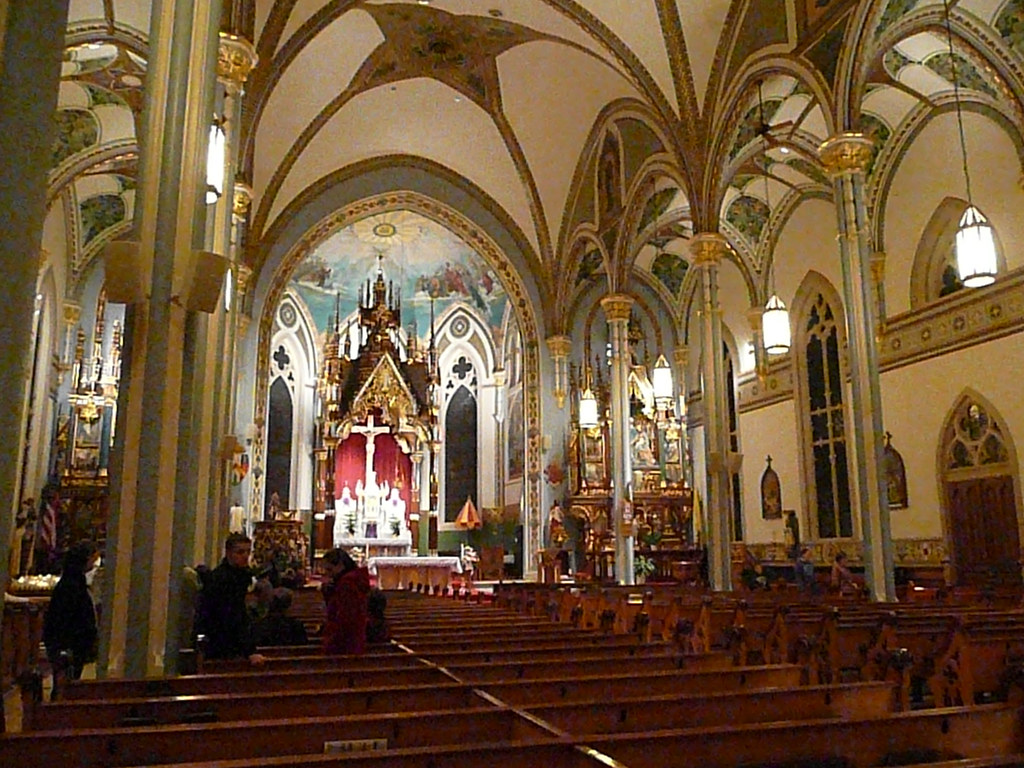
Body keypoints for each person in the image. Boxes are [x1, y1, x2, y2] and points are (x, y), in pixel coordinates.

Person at [195, 533, 266, 664]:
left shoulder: (242, 576)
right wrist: (249, 651)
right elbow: (231, 616)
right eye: (240, 552)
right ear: (228, 553)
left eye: (247, 552)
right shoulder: (221, 579)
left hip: (233, 645)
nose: (245, 556)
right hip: (222, 646)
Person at [43, 540, 99, 696]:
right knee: (64, 685)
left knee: (70, 683)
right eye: (92, 559)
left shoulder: (76, 582)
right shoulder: (70, 586)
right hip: (68, 646)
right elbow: (64, 619)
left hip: (75, 645)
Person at [321, 548, 370, 655]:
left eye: (329, 569)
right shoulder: (353, 580)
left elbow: (345, 617)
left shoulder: (347, 584)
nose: (327, 574)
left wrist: (331, 640)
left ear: (340, 565)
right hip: (354, 639)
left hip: (345, 644)